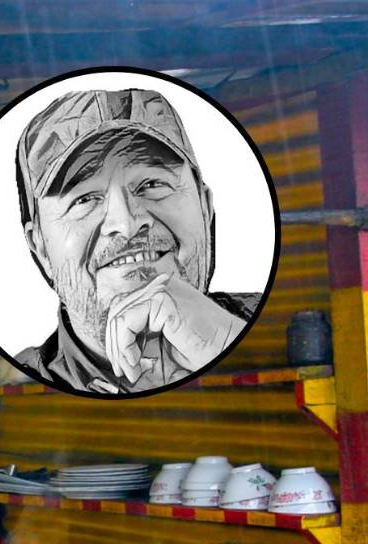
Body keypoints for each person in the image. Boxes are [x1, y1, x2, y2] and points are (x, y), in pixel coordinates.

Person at [15, 87, 260, 395]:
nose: (127, 225)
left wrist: (223, 346)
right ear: (40, 249)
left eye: (153, 183)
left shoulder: (291, 325)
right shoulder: (10, 389)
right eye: (85, 199)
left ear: (205, 207)